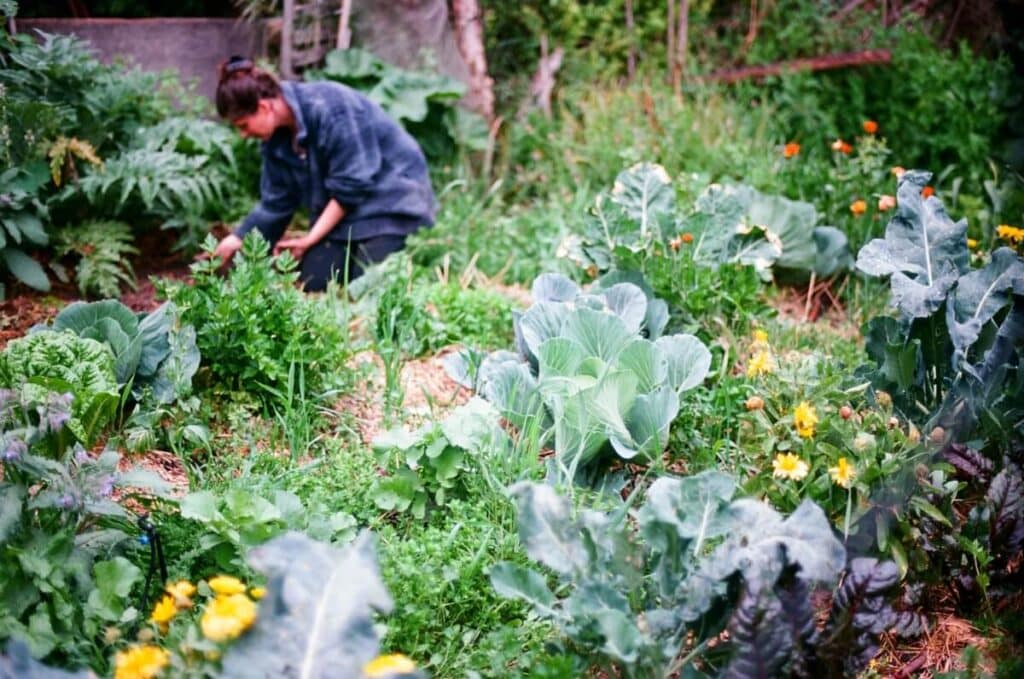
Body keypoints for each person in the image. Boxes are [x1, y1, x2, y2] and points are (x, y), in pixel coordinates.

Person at [211, 56, 436, 290]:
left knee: (368, 285)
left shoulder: (333, 109)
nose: (243, 135)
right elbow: (277, 202)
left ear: (264, 107)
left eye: (243, 125)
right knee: (313, 282)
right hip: (344, 215)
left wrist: (309, 239)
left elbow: (351, 186)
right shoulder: (276, 140)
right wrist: (237, 239)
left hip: (389, 205)